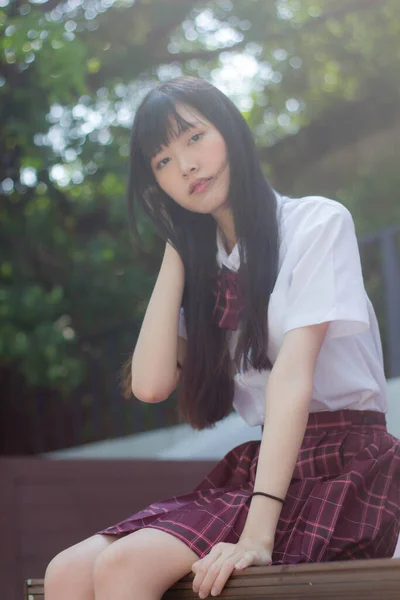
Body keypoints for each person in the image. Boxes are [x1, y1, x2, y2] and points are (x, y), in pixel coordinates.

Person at [44, 76, 400, 600]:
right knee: (66, 573)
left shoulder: (315, 223)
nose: (185, 165)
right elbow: (150, 384)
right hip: (265, 464)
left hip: (348, 465)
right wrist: (177, 250)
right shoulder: (204, 265)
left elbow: (293, 376)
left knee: (125, 567)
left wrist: (258, 534)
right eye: (162, 161)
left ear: (230, 131)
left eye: (193, 138)